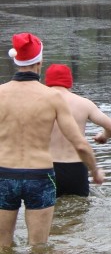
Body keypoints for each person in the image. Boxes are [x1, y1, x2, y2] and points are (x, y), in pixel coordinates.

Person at [0, 33, 104, 247]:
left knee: (3, 245)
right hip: (39, 176)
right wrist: (94, 170)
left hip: (4, 174)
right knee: (39, 246)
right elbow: (79, 143)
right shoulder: (52, 97)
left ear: (16, 61)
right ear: (39, 62)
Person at [44, 64, 111, 198]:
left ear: (47, 82)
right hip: (76, 168)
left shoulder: (39, 103)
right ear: (69, 82)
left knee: (48, 213)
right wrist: (104, 136)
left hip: (47, 167)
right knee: (78, 213)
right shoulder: (84, 103)